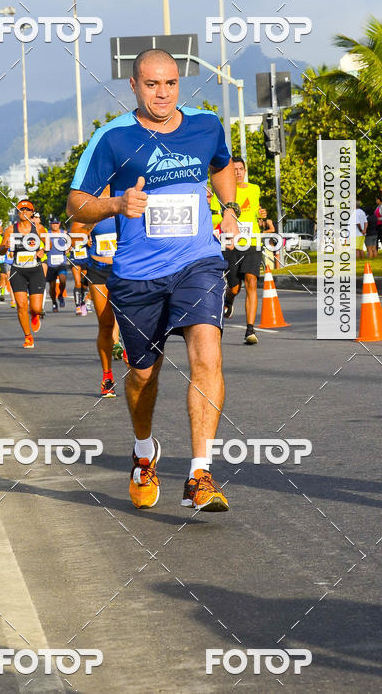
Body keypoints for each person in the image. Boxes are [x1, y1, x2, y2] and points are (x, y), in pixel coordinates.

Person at [67, 47, 240, 513]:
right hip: (138, 274)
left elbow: (222, 164)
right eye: (151, 84)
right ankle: (144, 454)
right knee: (143, 375)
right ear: (134, 86)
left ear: (179, 83)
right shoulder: (113, 138)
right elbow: (76, 204)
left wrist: (228, 209)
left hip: (197, 262)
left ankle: (200, 473)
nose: (162, 93)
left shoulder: (206, 125)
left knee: (208, 349)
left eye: (170, 84)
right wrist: (117, 205)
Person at [71, 189, 124, 398]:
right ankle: (107, 376)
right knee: (105, 323)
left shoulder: (126, 190)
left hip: (126, 269)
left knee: (132, 319)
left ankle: (129, 352)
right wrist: (88, 229)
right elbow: (76, 235)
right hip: (99, 270)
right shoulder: (89, 199)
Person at [211, 156, 265, 345]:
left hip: (252, 242)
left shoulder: (254, 189)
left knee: (251, 281)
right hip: (231, 244)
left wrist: (261, 215)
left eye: (241, 169)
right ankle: (229, 299)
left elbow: (255, 212)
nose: (238, 172)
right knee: (234, 287)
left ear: (245, 170)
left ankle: (250, 330)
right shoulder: (222, 194)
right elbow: (215, 219)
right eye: (234, 169)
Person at [0, 199, 47, 348]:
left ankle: (35, 314)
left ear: (32, 213)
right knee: (20, 305)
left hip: (35, 270)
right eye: (21, 210)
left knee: (37, 308)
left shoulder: (39, 228)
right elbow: (0, 250)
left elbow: (49, 244)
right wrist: (5, 247)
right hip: (18, 270)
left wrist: (42, 250)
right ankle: (28, 336)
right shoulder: (11, 230)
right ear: (18, 213)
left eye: (27, 210)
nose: (24, 212)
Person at [43, 216, 68, 312]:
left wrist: (68, 249)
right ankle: (54, 302)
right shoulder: (47, 234)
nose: (55, 225)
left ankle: (61, 294)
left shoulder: (64, 233)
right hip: (50, 263)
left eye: (56, 223)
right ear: (50, 224)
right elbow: (42, 245)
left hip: (61, 262)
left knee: (62, 280)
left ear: (59, 224)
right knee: (52, 286)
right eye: (53, 223)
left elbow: (71, 244)